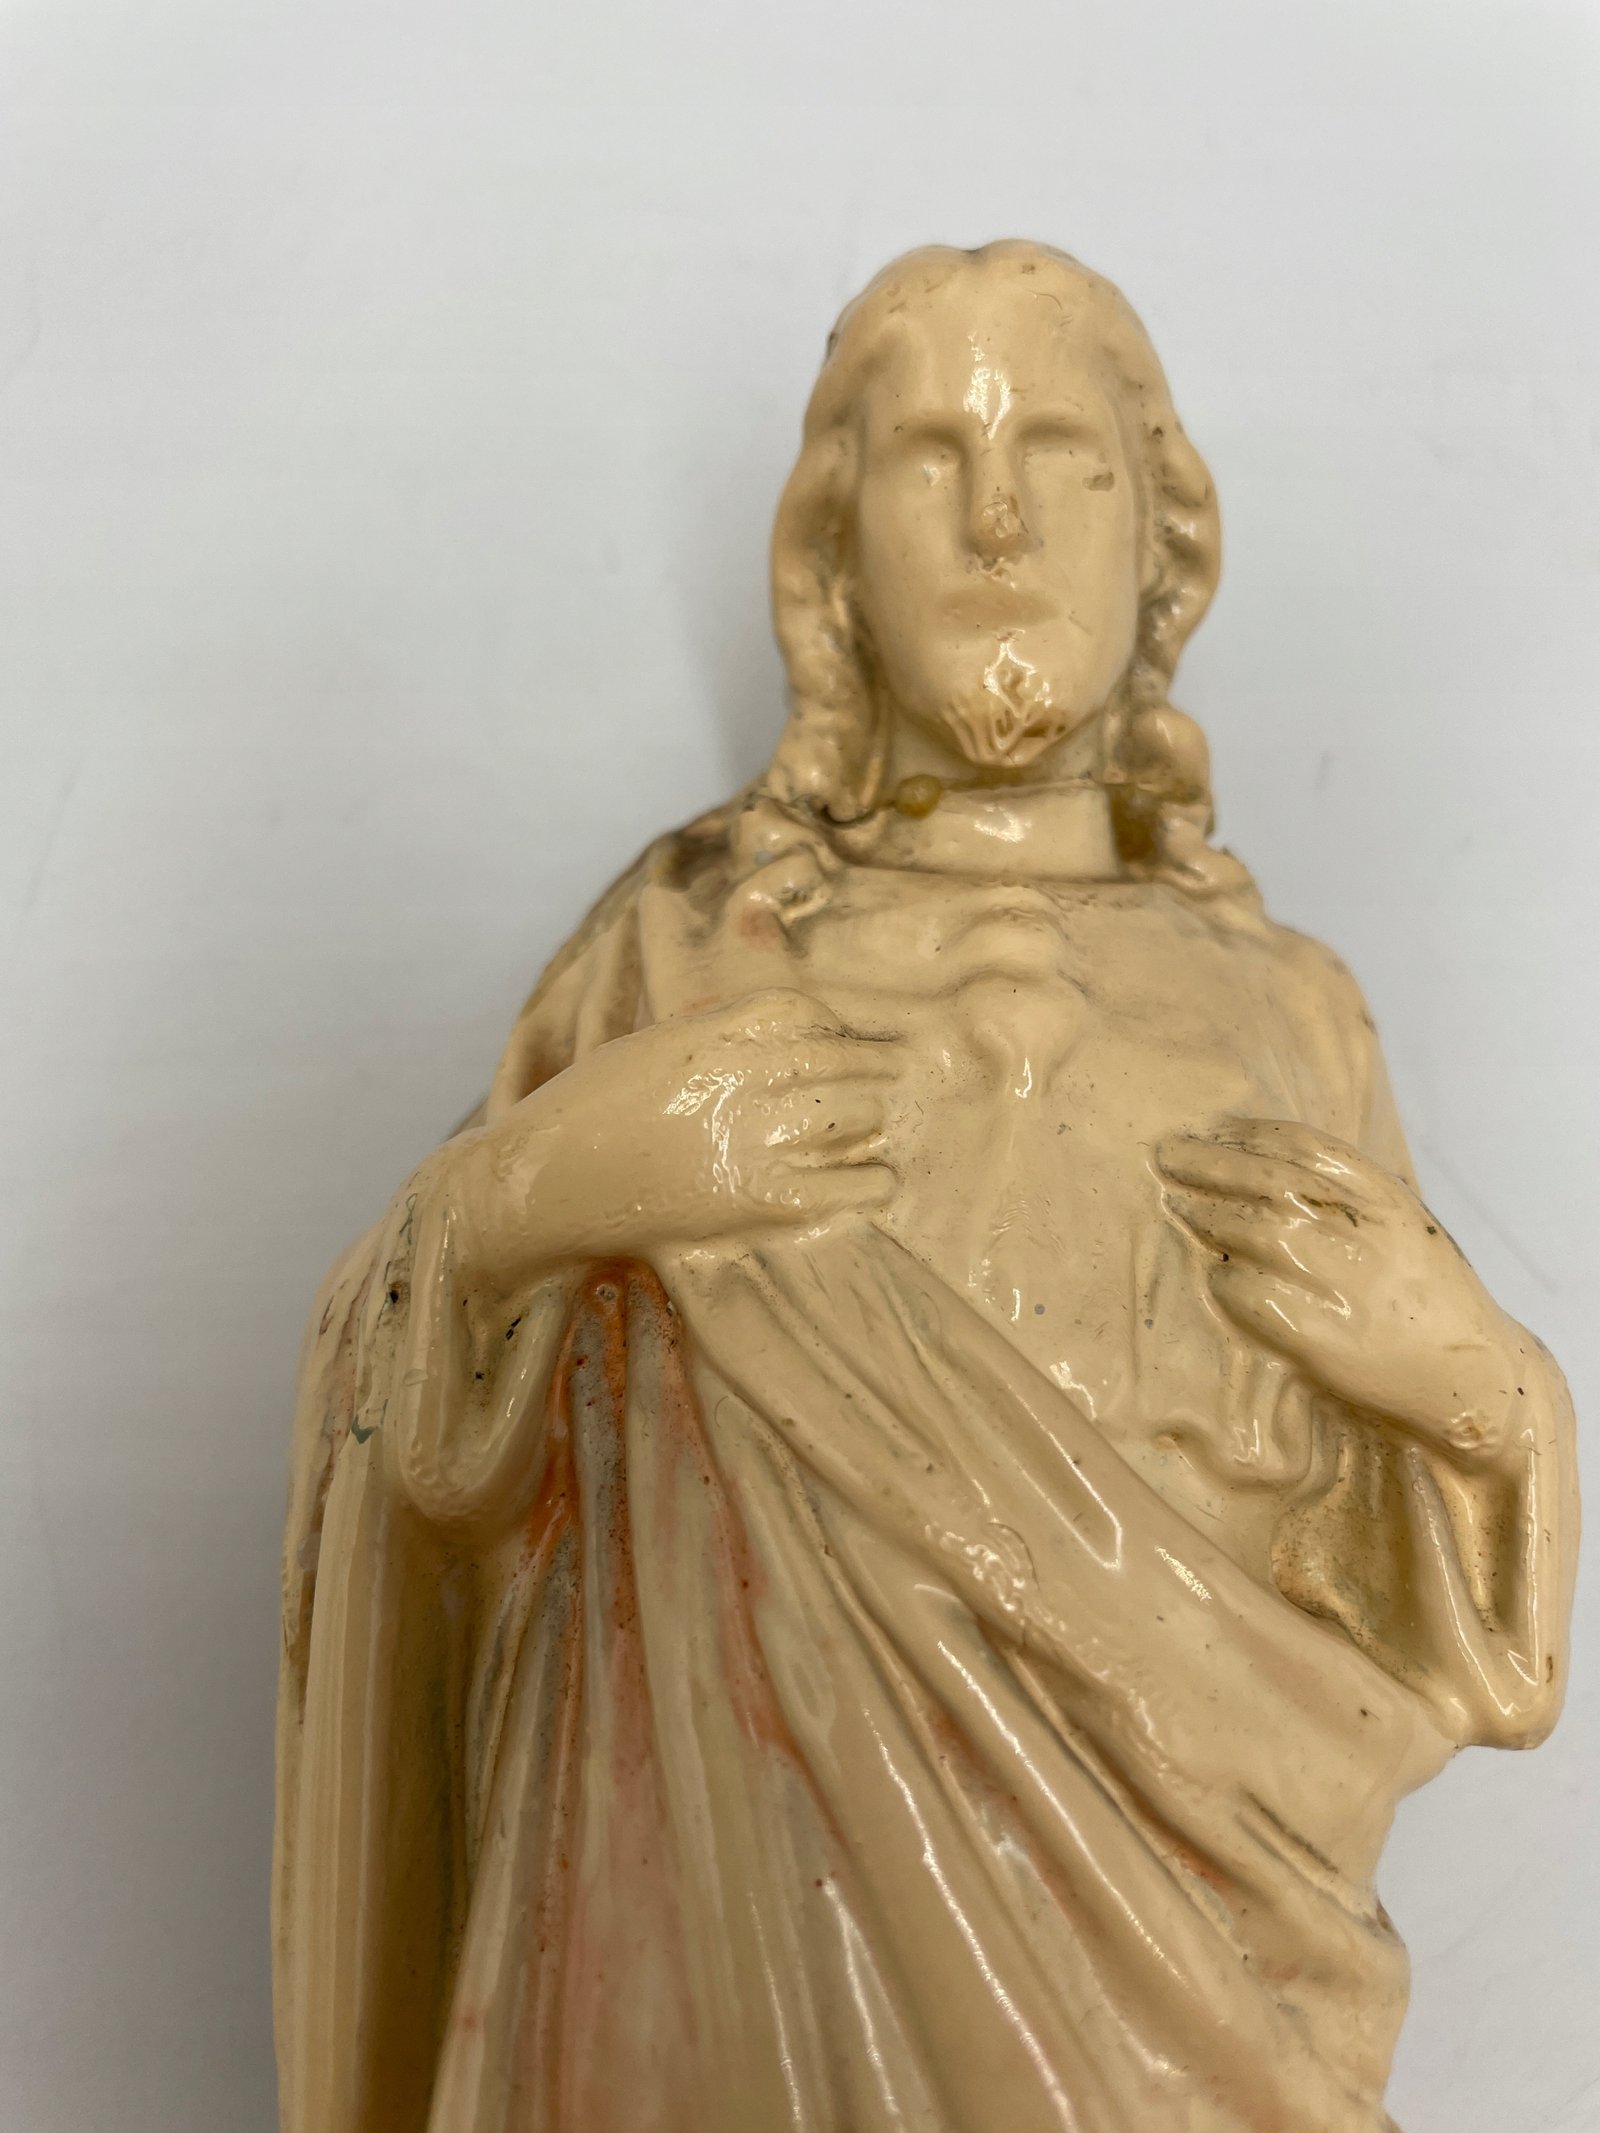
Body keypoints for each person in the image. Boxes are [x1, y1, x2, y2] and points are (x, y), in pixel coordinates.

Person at [274, 242, 1576, 2133]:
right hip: (732, 1961)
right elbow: (414, 1426)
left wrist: (1468, 1383)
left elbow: (1433, 1625)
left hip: (1204, 2001)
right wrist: (556, 1181)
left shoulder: (1292, 1010)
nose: (997, 520)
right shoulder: (676, 956)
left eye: (1060, 454)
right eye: (930, 458)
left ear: (1160, 543)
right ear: (831, 555)